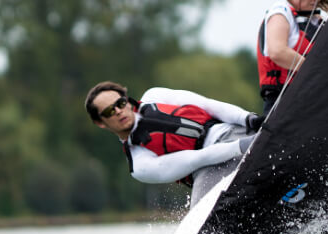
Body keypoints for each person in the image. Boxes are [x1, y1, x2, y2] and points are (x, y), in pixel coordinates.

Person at [84, 81, 263, 204]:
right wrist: (243, 145)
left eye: (120, 103)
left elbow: (208, 105)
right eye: (108, 111)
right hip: (208, 171)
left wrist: (249, 119)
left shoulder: (155, 95)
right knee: (200, 224)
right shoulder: (140, 165)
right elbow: (196, 159)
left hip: (230, 132)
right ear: (100, 123)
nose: (118, 111)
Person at [257, 0, 328, 115]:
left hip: (317, 102)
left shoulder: (318, 21)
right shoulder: (281, 11)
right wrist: (317, 72)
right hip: (284, 104)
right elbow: (277, 52)